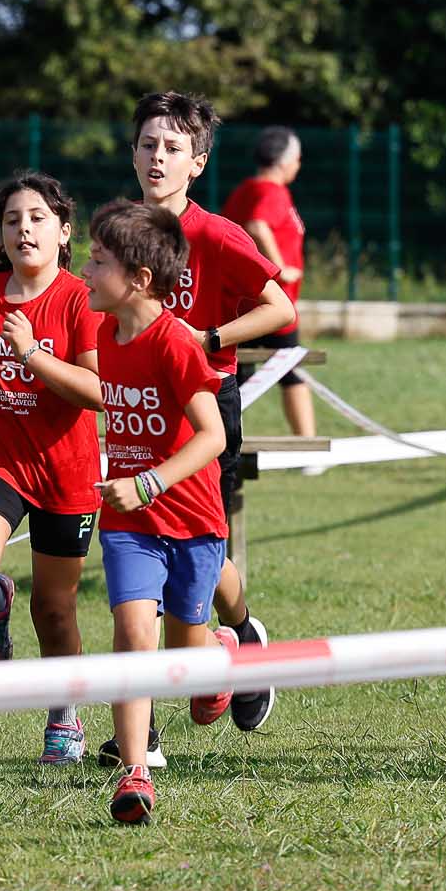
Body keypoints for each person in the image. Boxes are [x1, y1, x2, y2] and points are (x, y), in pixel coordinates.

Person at [125, 91, 295, 749]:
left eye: (171, 148)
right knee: (137, 552)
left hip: (203, 407)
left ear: (197, 162)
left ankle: (241, 634)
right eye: (147, 145)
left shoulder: (218, 234)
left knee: (201, 539)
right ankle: (144, 730)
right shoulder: (118, 230)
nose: (157, 157)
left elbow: (278, 307)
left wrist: (209, 337)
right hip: (135, 408)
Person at [0, 173, 106, 768]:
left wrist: (32, 352)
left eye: (37, 218)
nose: (24, 229)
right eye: (12, 220)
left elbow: (96, 391)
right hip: (1, 457)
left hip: (68, 469)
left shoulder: (81, 298)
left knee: (55, 610)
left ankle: (64, 714)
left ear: (64, 233)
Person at [82, 200, 232, 825]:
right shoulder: (100, 334)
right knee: (132, 632)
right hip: (129, 525)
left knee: (183, 661)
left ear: (139, 279)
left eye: (97, 261)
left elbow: (212, 437)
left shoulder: (173, 343)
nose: (84, 271)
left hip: (193, 521)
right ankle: (135, 773)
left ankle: (217, 658)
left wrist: (148, 482)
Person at [223, 127, 316, 443]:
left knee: (234, 377)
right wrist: (278, 269)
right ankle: (307, 447)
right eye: (298, 158)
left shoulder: (244, 189)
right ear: (285, 161)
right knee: (292, 372)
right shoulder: (271, 192)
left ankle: (223, 439)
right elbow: (257, 226)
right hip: (271, 308)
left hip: (238, 306)